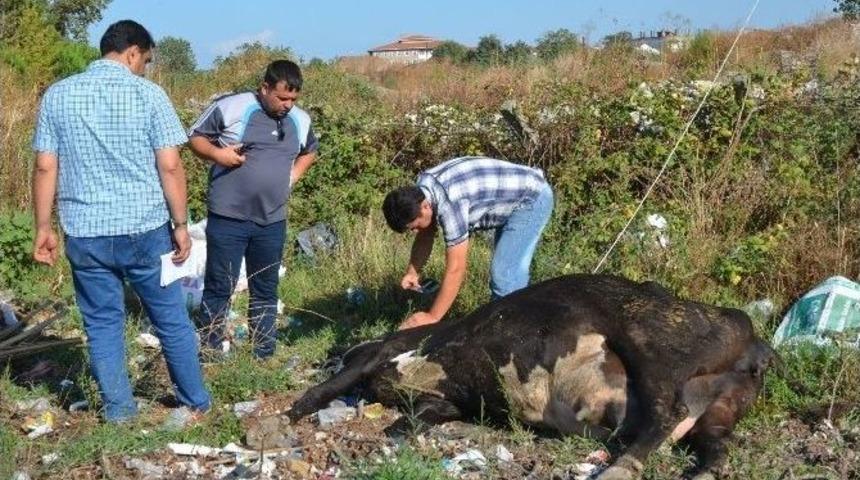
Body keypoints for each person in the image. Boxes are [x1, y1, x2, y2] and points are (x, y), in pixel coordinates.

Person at [31, 20, 211, 423]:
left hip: (84, 232)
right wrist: (181, 225)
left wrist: (43, 228)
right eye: (145, 60)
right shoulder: (149, 94)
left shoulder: (58, 95)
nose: (145, 68)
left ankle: (119, 411)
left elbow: (45, 166)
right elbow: (170, 164)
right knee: (170, 317)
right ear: (133, 52)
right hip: (145, 230)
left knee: (102, 323)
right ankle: (195, 402)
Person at [188, 59, 318, 359]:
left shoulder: (300, 120)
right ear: (265, 88)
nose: (287, 104)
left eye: (293, 99)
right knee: (221, 285)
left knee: (265, 287)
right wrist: (219, 155)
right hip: (228, 217)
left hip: (271, 220)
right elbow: (195, 138)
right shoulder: (233, 107)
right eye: (282, 97)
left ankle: (263, 352)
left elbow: (309, 151)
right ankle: (210, 350)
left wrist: (291, 178)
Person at [382, 156, 554, 330]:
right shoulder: (422, 190)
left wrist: (432, 317)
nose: (415, 231)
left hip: (531, 199)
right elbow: (426, 234)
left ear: (425, 207)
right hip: (512, 197)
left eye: (414, 227)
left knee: (505, 276)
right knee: (508, 275)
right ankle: (506, 326)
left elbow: (456, 269)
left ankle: (512, 334)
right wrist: (412, 272)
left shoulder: (450, 203)